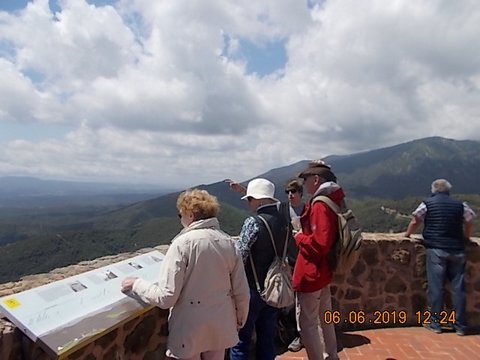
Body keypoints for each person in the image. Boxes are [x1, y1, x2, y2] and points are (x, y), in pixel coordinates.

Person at [121, 189, 250, 360]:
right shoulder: (229, 243)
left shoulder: (182, 244)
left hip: (190, 324)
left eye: (180, 214)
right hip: (221, 320)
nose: (180, 219)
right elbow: (242, 292)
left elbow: (166, 297)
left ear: (189, 214)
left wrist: (136, 284)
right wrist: (239, 321)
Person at [226, 178, 304, 352]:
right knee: (267, 337)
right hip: (274, 287)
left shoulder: (253, 222)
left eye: (250, 199)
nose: (248, 203)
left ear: (259, 200)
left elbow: (240, 256)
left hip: (252, 289)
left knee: (241, 341)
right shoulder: (285, 221)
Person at [405, 179, 476, 336]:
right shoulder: (460, 205)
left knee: (436, 287)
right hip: (457, 249)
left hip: (436, 249)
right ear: (448, 191)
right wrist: (466, 236)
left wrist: (407, 234)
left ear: (433, 190)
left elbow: (416, 219)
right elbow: (470, 219)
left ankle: (435, 323)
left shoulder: (427, 203)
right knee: (459, 288)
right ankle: (460, 326)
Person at [295, 160, 341, 360]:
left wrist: (299, 237)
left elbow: (320, 243)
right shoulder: (333, 199)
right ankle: (331, 355)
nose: (304, 185)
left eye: (306, 180)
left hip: (313, 270)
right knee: (326, 318)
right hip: (324, 270)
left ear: (316, 179)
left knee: (308, 323)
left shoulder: (320, 205)